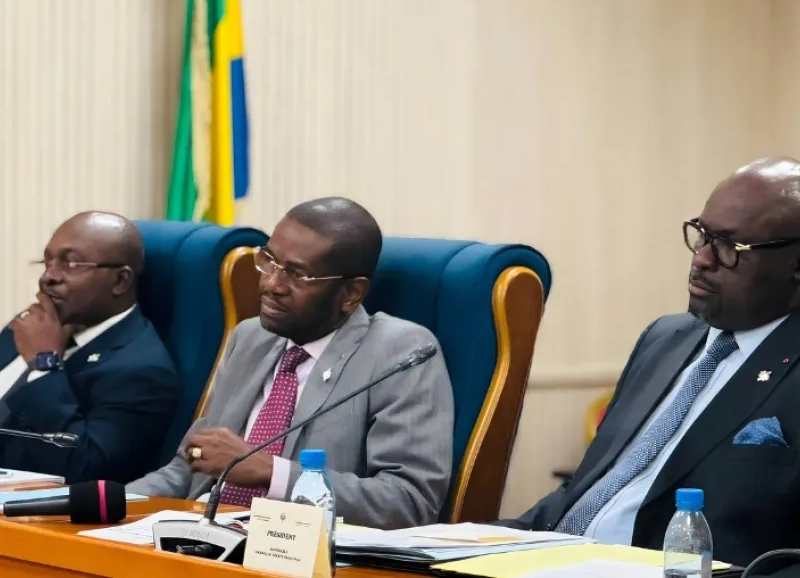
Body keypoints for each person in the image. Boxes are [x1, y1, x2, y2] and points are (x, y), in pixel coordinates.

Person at [499, 157, 800, 568]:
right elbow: (588, 489)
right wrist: (479, 542)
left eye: (729, 247)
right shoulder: (664, 339)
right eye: (702, 235)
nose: (701, 259)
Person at [128, 197, 454, 529]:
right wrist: (100, 506)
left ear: (352, 293)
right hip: (201, 537)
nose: (270, 284)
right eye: (268, 261)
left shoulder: (400, 353)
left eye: (297, 275)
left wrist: (272, 473)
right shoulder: (250, 337)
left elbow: (409, 502)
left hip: (294, 554)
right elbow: (188, 467)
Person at [0, 212, 180, 484]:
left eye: (71, 263)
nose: (48, 277)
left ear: (120, 281)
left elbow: (84, 469)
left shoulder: (142, 371)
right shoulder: (32, 326)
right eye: (47, 261)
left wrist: (44, 365)